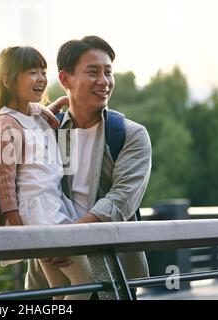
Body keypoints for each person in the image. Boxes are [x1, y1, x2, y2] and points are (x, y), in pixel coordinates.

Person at [25, 36, 152, 300]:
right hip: (50, 274)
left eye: (108, 72)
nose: (104, 81)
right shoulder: (45, 132)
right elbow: (19, 181)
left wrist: (68, 240)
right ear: (65, 79)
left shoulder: (130, 135)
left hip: (109, 275)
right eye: (93, 72)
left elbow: (120, 201)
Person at [0, 46, 94, 300]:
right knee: (86, 282)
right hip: (38, 218)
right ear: (7, 79)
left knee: (60, 291)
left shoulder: (34, 114)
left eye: (43, 72)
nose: (41, 78)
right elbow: (3, 184)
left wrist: (59, 104)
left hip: (52, 208)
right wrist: (22, 233)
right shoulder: (5, 125)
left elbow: (43, 117)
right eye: (32, 72)